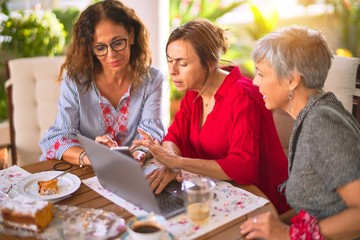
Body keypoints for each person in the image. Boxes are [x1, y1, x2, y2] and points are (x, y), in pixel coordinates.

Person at [133, 19, 290, 214]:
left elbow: (243, 167)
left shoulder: (243, 97)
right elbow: (174, 136)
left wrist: (177, 162)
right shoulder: (194, 91)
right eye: (170, 60)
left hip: (257, 201)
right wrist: (171, 161)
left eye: (182, 63)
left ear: (210, 63)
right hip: (211, 193)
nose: (172, 70)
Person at [240, 25, 360, 239]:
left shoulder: (323, 124)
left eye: (260, 73)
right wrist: (272, 225)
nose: (255, 82)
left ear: (292, 81)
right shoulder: (311, 115)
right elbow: (319, 206)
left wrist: (288, 233)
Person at [39, 0, 165, 166]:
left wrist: (138, 154)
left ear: (132, 35)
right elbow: (58, 138)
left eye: (118, 43)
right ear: (90, 48)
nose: (111, 54)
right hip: (81, 170)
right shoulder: (75, 81)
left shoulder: (152, 79)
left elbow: (151, 133)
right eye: (100, 48)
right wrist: (92, 156)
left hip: (128, 171)